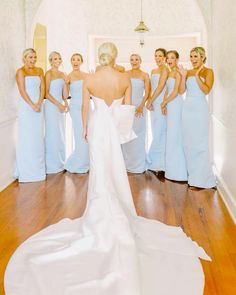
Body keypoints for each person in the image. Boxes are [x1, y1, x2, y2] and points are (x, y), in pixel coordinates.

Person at [5, 43, 210, 295]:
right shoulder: (123, 78)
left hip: (97, 125)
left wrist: (83, 128)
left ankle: (98, 215)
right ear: (115, 56)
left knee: (100, 171)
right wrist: (122, 132)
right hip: (113, 129)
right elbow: (126, 110)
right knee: (115, 168)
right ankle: (118, 209)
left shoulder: (90, 79)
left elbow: (83, 108)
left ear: (99, 57)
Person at [179, 47, 216, 188]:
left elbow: (206, 90)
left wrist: (197, 76)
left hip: (200, 108)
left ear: (202, 57)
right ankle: (193, 177)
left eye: (196, 56)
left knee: (200, 143)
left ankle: (203, 180)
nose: (193, 59)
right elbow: (182, 91)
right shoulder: (187, 72)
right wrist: (183, 76)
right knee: (188, 143)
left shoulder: (208, 71)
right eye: (191, 56)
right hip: (187, 108)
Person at [14, 48, 45, 182]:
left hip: (38, 106)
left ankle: (38, 170)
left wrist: (39, 103)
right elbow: (22, 91)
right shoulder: (20, 72)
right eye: (30, 57)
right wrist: (32, 105)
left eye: (34, 57)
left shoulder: (39, 71)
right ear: (24, 58)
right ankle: (26, 171)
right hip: (26, 107)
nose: (32, 60)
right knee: (27, 137)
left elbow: (42, 88)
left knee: (37, 137)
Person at [161, 50, 187, 181]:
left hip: (176, 104)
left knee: (175, 134)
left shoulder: (177, 72)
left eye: (172, 58)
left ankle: (178, 171)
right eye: (168, 58)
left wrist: (164, 102)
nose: (169, 60)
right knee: (170, 134)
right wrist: (164, 103)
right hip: (169, 104)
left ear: (177, 59)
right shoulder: (169, 72)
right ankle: (171, 170)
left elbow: (177, 92)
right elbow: (167, 89)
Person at [122, 54, 150, 173]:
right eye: (132, 59)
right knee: (126, 134)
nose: (134, 61)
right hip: (126, 106)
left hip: (139, 107)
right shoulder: (125, 74)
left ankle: (138, 164)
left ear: (140, 61)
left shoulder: (144, 75)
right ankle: (126, 163)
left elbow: (147, 92)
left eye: (136, 59)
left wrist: (141, 106)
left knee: (138, 134)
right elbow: (122, 91)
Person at [64, 53, 89, 173]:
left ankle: (88, 161)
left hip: (86, 107)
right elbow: (64, 95)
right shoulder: (68, 76)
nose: (75, 62)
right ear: (71, 62)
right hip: (75, 108)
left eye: (78, 60)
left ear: (81, 62)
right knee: (79, 134)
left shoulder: (86, 75)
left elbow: (91, 91)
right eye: (73, 59)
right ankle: (79, 162)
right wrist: (65, 83)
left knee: (88, 133)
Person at [44, 51, 68, 174]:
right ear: (50, 61)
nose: (57, 60)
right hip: (51, 106)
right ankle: (51, 165)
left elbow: (65, 95)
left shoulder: (62, 74)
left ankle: (60, 162)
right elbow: (46, 93)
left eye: (59, 58)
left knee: (60, 133)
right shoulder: (48, 74)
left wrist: (66, 81)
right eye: (54, 59)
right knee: (52, 132)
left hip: (60, 107)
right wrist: (58, 105)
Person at [146, 48, 169, 173]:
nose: (158, 58)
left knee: (161, 130)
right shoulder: (153, 70)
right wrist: (149, 99)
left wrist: (151, 100)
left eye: (160, 56)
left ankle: (160, 164)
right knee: (155, 129)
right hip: (153, 101)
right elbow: (152, 86)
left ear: (165, 57)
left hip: (160, 101)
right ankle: (156, 161)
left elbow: (161, 86)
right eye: (156, 56)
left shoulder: (166, 69)